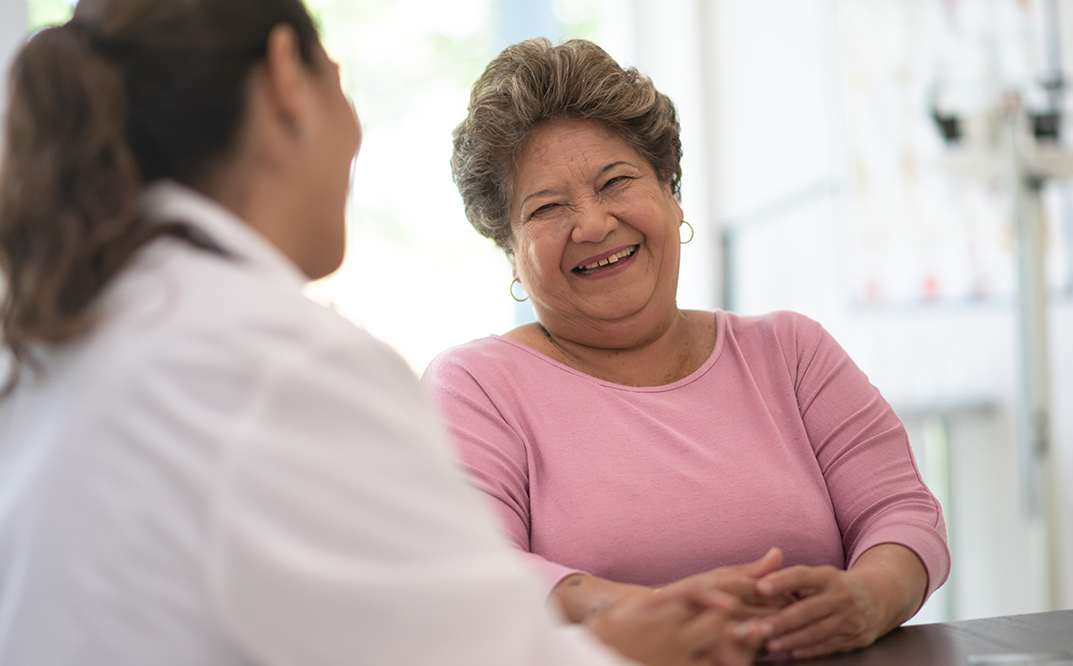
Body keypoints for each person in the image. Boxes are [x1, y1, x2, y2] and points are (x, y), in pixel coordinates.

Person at [0, 3, 753, 665]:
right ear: (287, 80)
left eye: (617, 181)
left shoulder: (67, 333)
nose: (356, 135)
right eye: (338, 78)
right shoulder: (276, 363)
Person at [424, 38, 952, 661]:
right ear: (511, 250)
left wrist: (868, 598)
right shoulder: (476, 386)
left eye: (615, 181)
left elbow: (902, 511)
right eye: (547, 208)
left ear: (671, 195)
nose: (592, 224)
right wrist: (627, 612)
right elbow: (474, 568)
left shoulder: (791, 351)